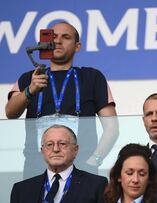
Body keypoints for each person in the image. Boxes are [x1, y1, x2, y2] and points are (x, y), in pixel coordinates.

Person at [5, 21, 119, 178]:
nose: (57, 41)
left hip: (82, 169)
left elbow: (112, 128)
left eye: (65, 37)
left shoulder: (92, 77)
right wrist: (30, 90)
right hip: (35, 169)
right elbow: (10, 112)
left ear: (77, 46)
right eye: (54, 37)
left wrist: (94, 161)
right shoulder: (30, 77)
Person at [10, 124, 108, 203]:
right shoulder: (21, 190)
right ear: (42, 151)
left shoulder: (97, 185)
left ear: (75, 150)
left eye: (62, 144)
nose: (56, 149)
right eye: (49, 145)